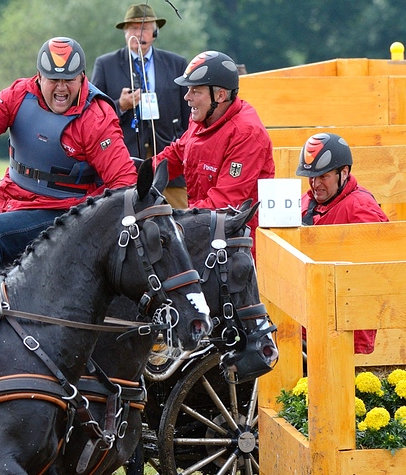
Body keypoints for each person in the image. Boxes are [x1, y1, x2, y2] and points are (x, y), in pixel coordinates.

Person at [0, 36, 137, 299]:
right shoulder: (20, 94)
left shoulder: (96, 117)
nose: (61, 88)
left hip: (65, 212)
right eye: (54, 80)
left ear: (82, 78)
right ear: (39, 77)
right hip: (15, 201)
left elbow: (124, 181)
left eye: (69, 80)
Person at [153, 50, 274, 238]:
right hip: (202, 229)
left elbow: (225, 204)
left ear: (220, 96)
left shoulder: (246, 133)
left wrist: (176, 220)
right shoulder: (201, 119)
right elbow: (175, 155)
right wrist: (137, 177)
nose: (187, 97)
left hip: (236, 244)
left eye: (196, 91)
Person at [90, 3, 190, 208]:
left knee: (179, 223)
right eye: (134, 28)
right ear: (125, 34)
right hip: (124, 162)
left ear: (155, 32)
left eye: (144, 27)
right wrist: (121, 105)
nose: (139, 33)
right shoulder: (106, 65)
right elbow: (93, 116)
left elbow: (189, 114)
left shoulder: (177, 64)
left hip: (170, 165)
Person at [297, 133, 387, 355]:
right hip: (303, 320)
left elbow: (371, 276)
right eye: (311, 177)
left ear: (344, 173)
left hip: (343, 328)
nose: (315, 184)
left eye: (323, 176)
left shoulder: (363, 210)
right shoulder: (306, 200)